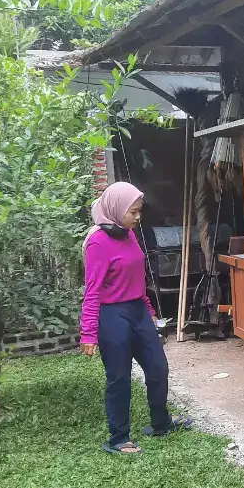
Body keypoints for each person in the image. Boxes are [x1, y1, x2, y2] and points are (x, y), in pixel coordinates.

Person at [81, 181, 192, 454]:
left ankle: (160, 422)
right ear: (117, 209)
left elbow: (135, 278)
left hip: (137, 310)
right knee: (119, 377)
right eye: (133, 211)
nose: (137, 217)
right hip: (112, 315)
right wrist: (88, 333)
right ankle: (118, 438)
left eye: (139, 211)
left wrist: (149, 310)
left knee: (157, 368)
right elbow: (92, 291)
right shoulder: (98, 242)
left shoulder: (127, 233)